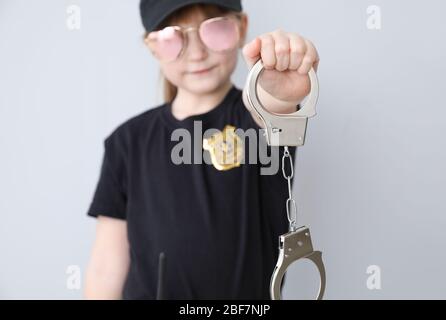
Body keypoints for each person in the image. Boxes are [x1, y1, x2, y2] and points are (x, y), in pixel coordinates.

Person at [84, 0, 320, 299]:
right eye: (173, 37)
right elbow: (106, 267)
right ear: (152, 46)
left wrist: (280, 90)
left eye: (215, 29)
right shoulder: (126, 142)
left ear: (241, 28)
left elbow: (273, 106)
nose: (196, 53)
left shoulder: (254, 120)